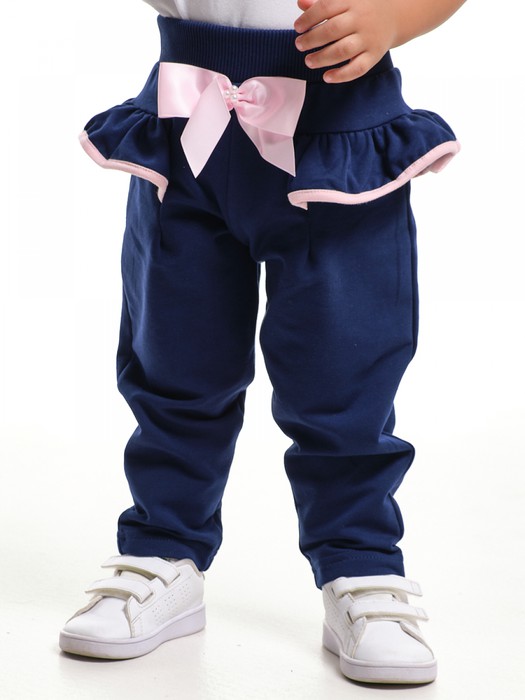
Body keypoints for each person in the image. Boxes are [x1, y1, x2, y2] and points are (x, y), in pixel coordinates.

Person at [60, 0, 466, 685]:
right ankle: (164, 548)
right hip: (186, 120)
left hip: (336, 131)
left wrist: (393, 18)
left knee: (346, 368)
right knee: (172, 352)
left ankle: (360, 561)